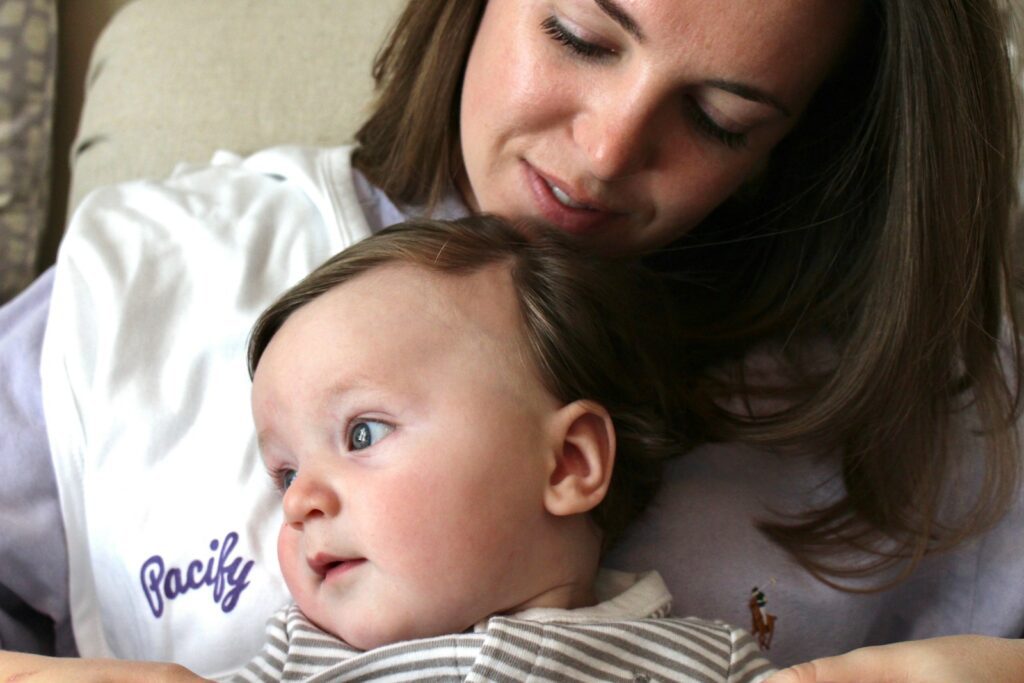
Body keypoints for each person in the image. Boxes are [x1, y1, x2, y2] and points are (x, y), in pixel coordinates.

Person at [0, 0, 1021, 679]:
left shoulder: (919, 389)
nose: (606, 148)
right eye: (579, 34)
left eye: (717, 117)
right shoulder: (153, 280)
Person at [0, 216, 778, 681]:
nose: (301, 500)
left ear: (568, 463)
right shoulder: (291, 662)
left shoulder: (700, 662)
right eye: (284, 472)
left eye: (362, 433)